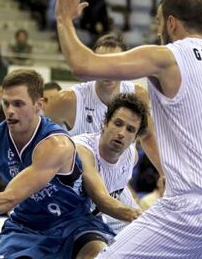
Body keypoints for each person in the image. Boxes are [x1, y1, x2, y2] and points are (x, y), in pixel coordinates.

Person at [56, 0, 202, 258]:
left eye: (157, 21)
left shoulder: (167, 57)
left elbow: (83, 65)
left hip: (194, 209)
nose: (156, 29)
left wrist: (64, 20)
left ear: (171, 23)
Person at [0, 69, 140, 258]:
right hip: (26, 226)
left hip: (72, 222)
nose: (10, 111)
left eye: (18, 104)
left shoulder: (56, 144)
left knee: (96, 255)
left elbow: (9, 198)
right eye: (6, 104)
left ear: (39, 105)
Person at [45, 35, 163, 175]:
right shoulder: (67, 100)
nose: (108, 70)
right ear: (92, 63)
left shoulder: (138, 94)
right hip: (79, 184)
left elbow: (147, 136)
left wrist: (164, 174)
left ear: (126, 64)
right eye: (102, 62)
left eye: (115, 63)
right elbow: (40, 135)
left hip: (118, 183)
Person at [73, 93, 146, 233]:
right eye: (118, 124)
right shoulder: (82, 150)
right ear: (105, 123)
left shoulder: (132, 156)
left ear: (135, 137)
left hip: (94, 219)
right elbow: (103, 200)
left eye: (130, 129)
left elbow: (120, 191)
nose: (121, 133)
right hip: (59, 222)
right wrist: (141, 217)